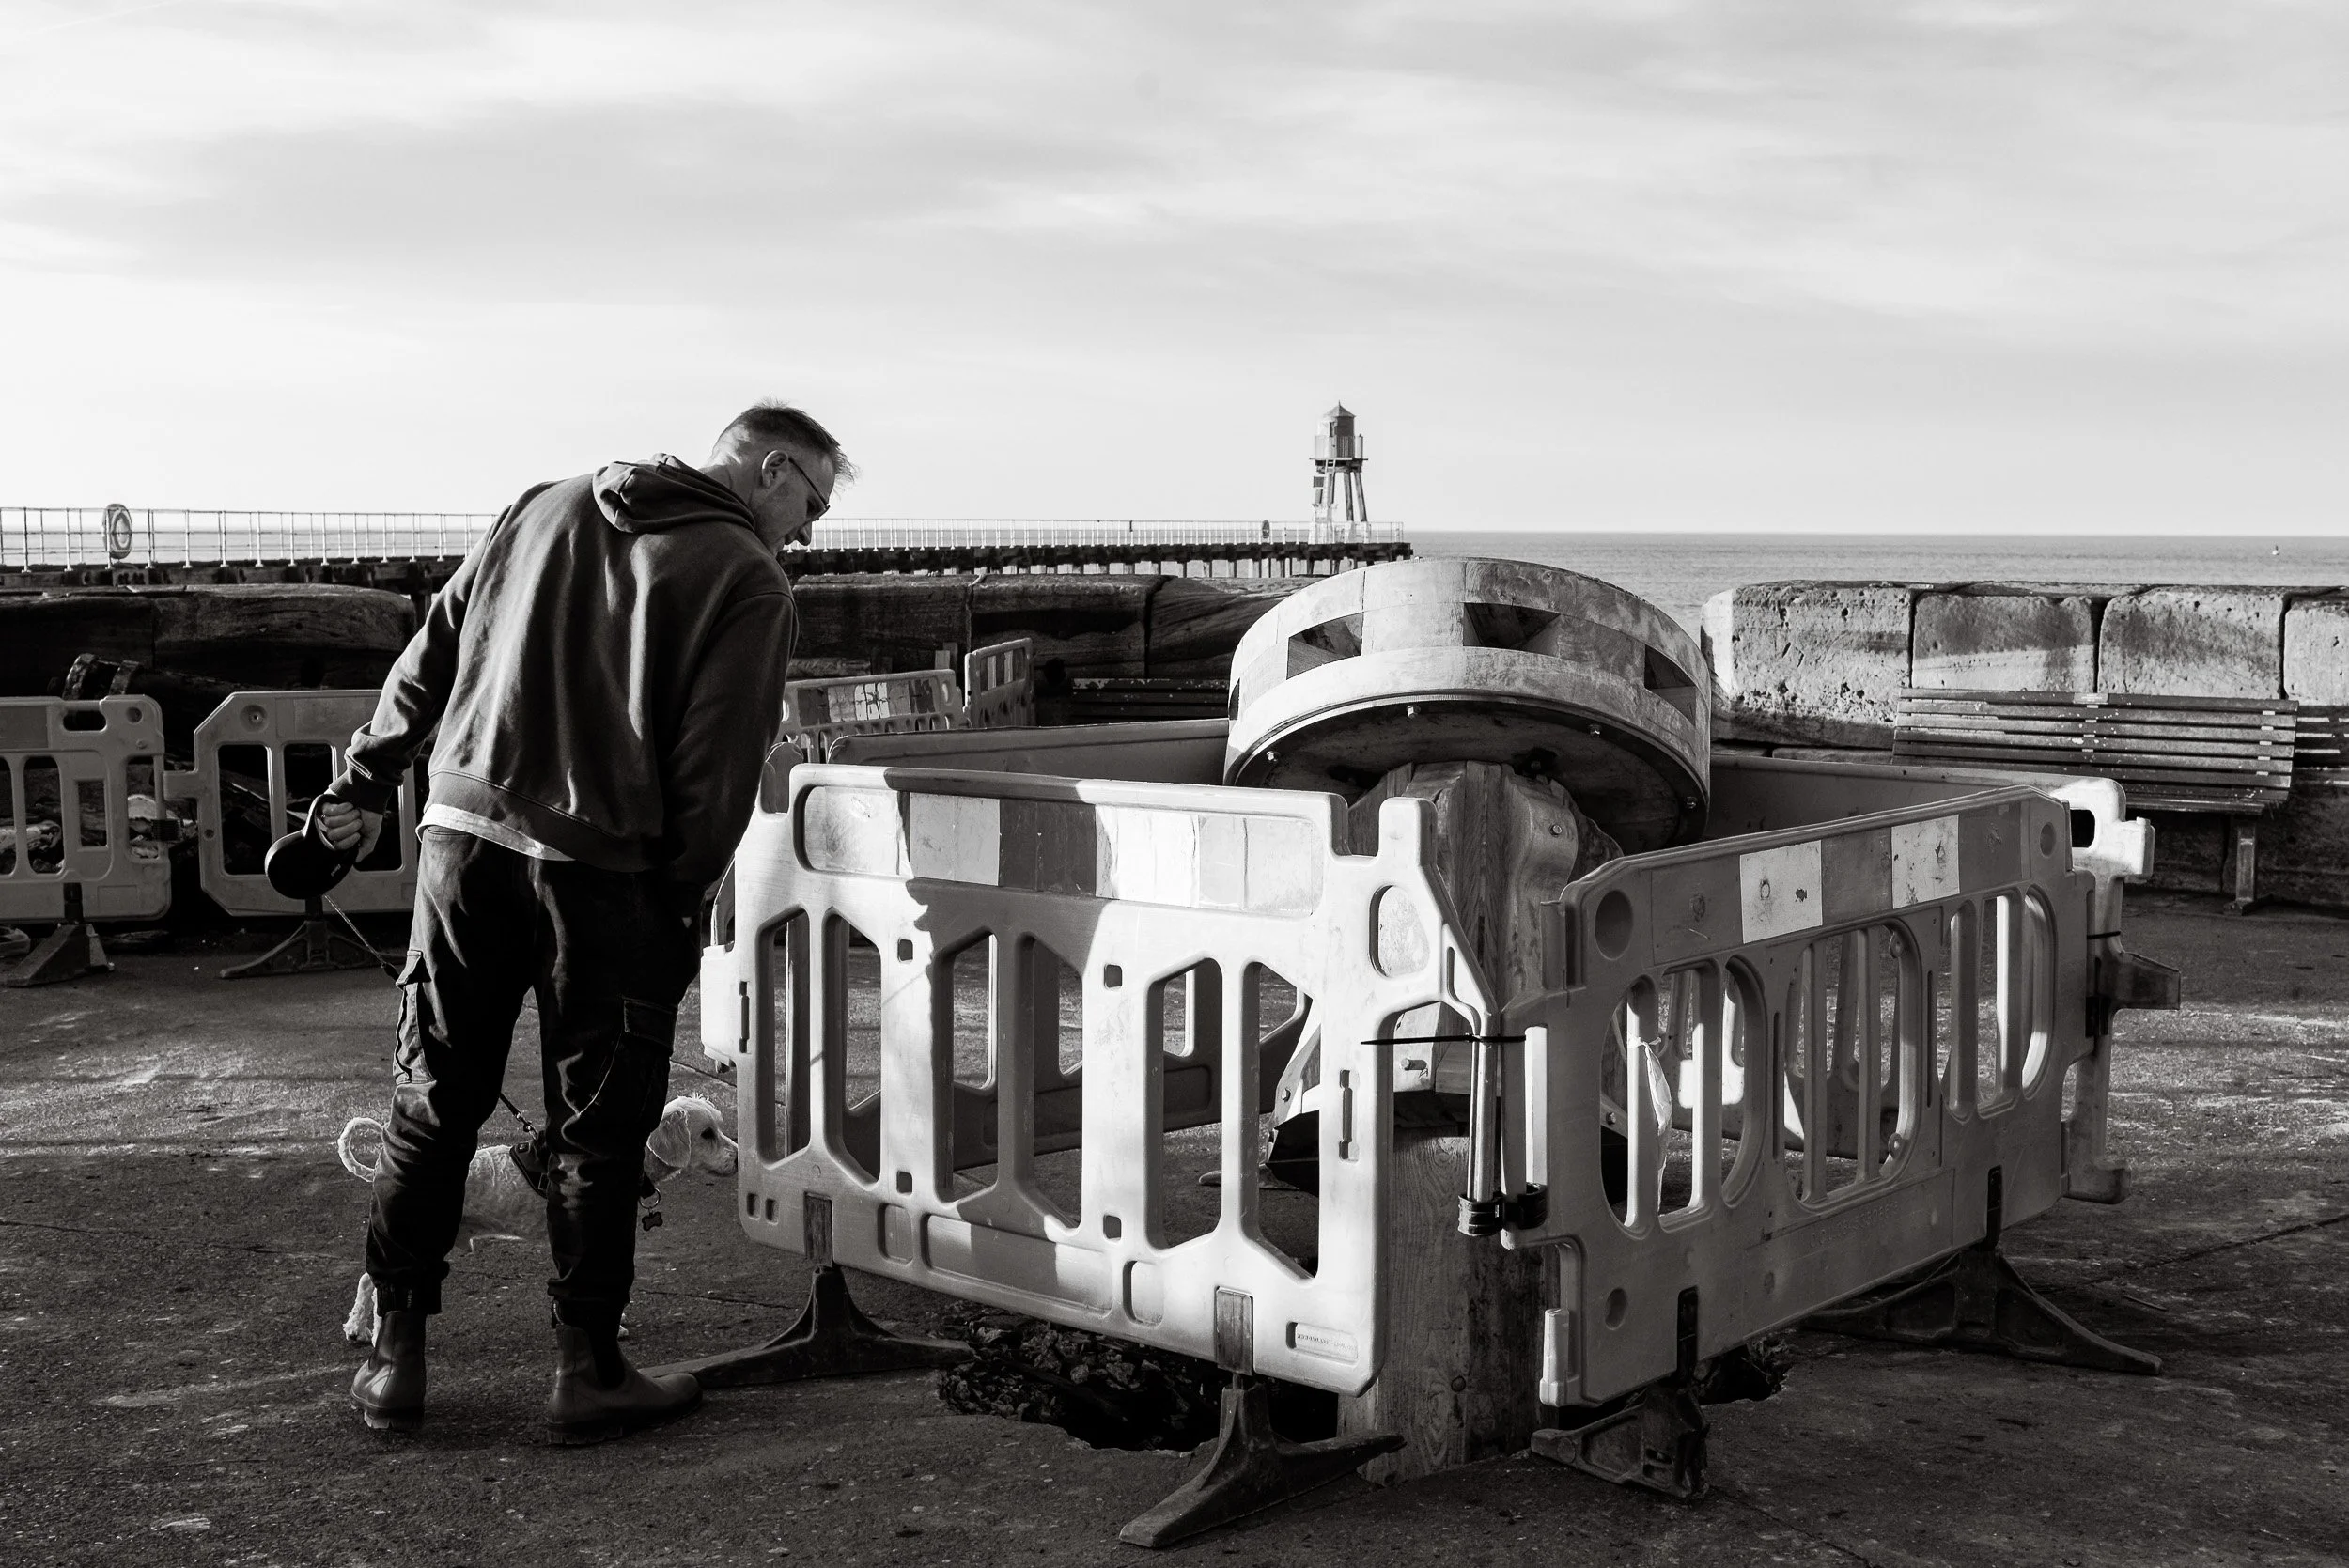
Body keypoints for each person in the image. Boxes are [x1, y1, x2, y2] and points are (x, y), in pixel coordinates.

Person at [318, 402, 846, 1442]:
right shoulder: (746, 577)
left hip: (461, 843)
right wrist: (681, 901)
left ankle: (395, 1364)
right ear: (772, 469)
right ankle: (587, 1370)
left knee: (431, 1106)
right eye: (813, 503)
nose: (812, 531)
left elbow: (432, 649)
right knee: (598, 1133)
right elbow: (719, 764)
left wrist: (364, 772)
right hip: (603, 875)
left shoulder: (538, 506)